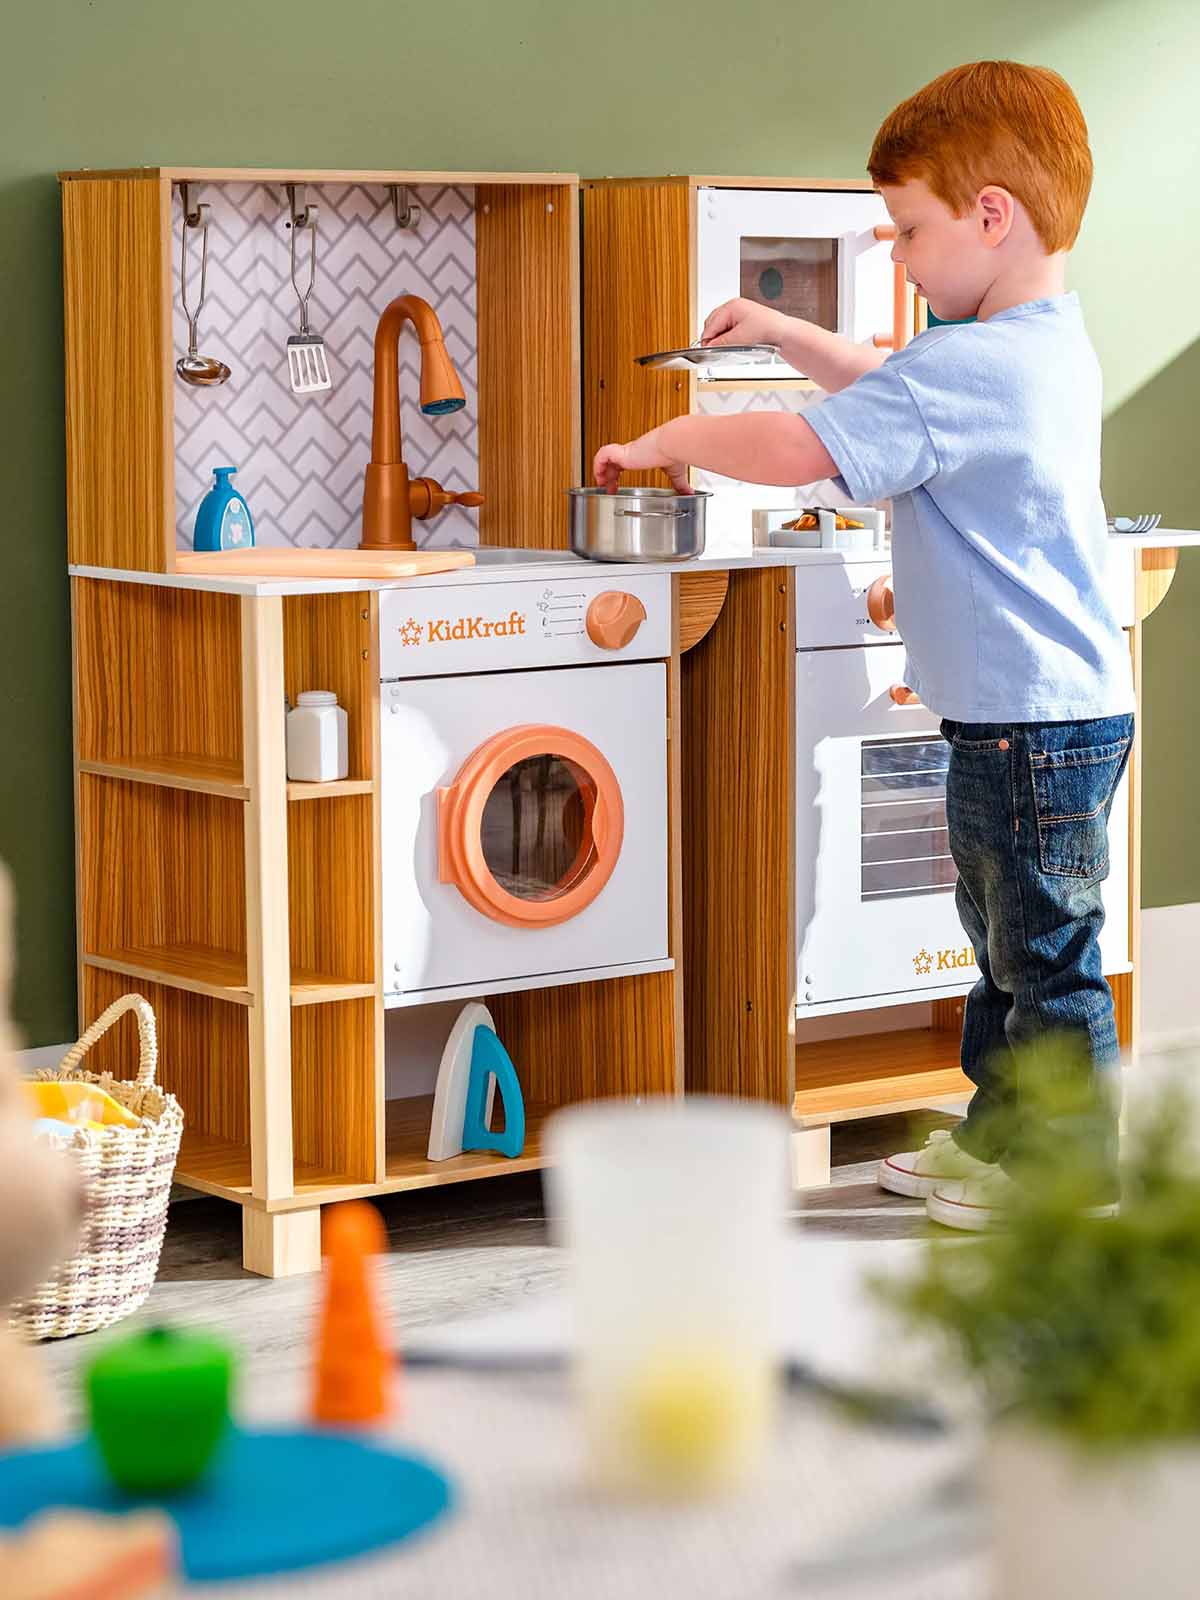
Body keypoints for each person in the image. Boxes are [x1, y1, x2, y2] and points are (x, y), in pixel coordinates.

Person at [593, 60, 1134, 1230]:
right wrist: (788, 330)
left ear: (991, 217)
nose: (899, 255)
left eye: (907, 231)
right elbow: (895, 387)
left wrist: (668, 437)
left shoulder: (974, 364)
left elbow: (810, 448)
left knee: (1042, 956)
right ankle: (1004, 1141)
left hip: (1032, 725)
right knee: (1003, 942)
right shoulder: (1032, 345)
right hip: (1032, 715)